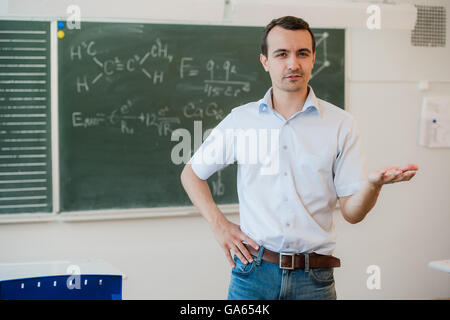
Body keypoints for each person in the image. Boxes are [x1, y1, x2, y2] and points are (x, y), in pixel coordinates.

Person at [180, 16, 418, 300]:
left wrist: (373, 186)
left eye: (302, 53)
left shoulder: (341, 124)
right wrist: (220, 226)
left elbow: (353, 214)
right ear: (265, 61)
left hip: (314, 280)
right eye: (282, 54)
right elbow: (191, 173)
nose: (293, 63)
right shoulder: (241, 121)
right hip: (252, 275)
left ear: (313, 58)